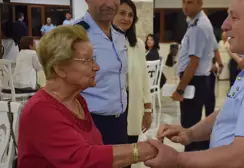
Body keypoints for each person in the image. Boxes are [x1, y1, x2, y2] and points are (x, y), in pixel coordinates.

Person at [144, 0, 244, 168]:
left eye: (234, 17)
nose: (224, 25)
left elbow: (242, 157)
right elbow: (233, 111)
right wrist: (190, 133)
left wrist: (177, 159)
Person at [18, 26, 158, 168]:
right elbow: (83, 159)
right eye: (87, 60)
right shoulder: (40, 111)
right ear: (60, 68)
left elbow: (95, 147)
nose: (96, 67)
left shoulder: (77, 100)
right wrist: (140, 150)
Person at [75, 0, 129, 145]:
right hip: (89, 121)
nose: (110, 4)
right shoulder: (75, 34)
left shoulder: (119, 35)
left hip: (120, 119)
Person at [172, 0, 215, 152]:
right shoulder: (197, 23)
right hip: (197, 79)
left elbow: (194, 62)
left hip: (194, 80)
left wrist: (180, 89)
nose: (185, 6)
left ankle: (191, 159)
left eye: (189, 2)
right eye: (183, 2)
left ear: (200, 3)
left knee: (189, 128)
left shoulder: (199, 26)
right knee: (193, 124)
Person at [112, 0, 153, 145]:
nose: (126, 18)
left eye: (130, 15)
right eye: (122, 13)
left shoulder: (138, 45)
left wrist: (148, 109)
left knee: (129, 149)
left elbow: (144, 78)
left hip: (132, 102)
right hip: (110, 105)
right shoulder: (105, 42)